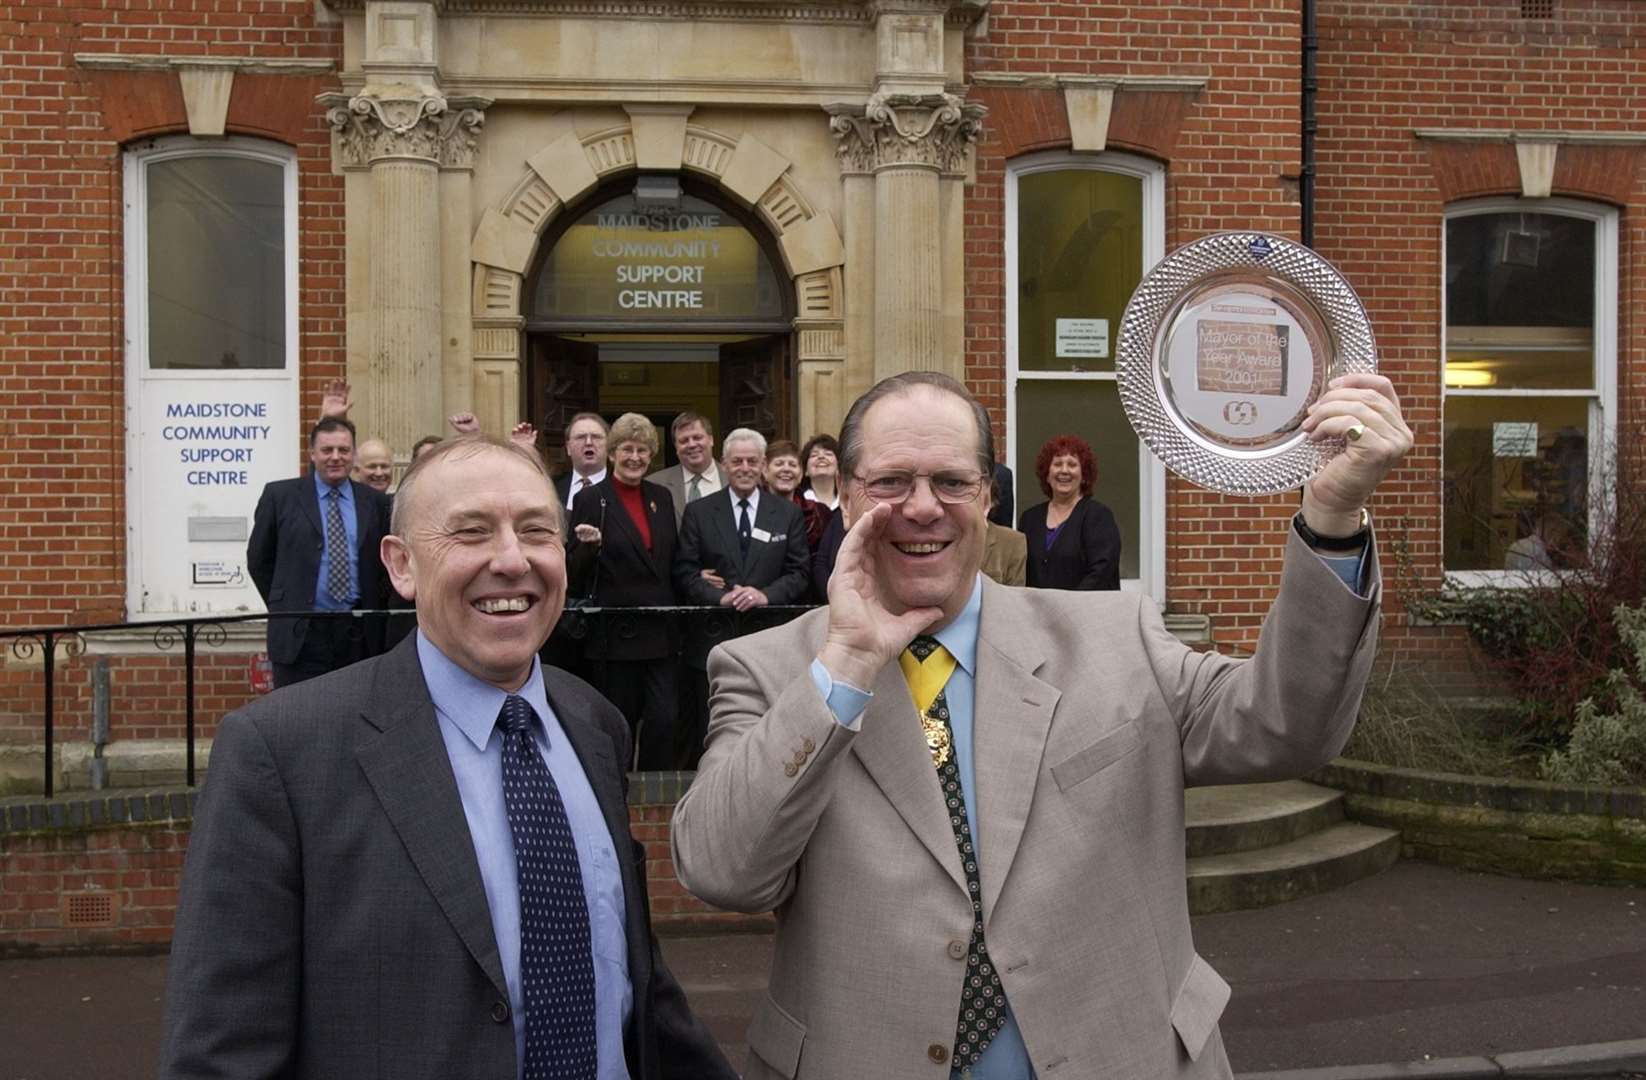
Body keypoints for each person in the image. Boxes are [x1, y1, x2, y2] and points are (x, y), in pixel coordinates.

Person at [671, 370, 1410, 1079]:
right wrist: (844, 669)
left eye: (952, 481)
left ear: (987, 497)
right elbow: (724, 870)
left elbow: (1287, 725)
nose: (923, 507)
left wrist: (1333, 520)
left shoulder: (1117, 636)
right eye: (891, 482)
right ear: (845, 498)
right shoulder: (766, 670)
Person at [163, 434, 736, 1080]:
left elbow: (631, 982)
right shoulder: (282, 756)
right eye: (471, 533)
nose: (513, 560)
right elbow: (222, 1056)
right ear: (401, 565)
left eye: (537, 531)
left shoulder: (595, 726)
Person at [673, 428, 811, 769]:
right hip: (713, 639)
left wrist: (765, 595)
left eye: (752, 461)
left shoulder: (787, 514)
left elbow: (799, 573)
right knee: (713, 732)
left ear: (763, 465)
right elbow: (683, 572)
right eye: (737, 461)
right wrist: (719, 597)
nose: (745, 467)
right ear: (724, 464)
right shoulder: (700, 512)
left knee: (771, 729)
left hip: (770, 639)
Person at [566, 413, 680, 771]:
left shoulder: (660, 497)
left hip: (660, 632)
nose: (635, 457)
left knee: (666, 719)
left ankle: (652, 794)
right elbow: (571, 570)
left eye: (643, 450)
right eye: (628, 449)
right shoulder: (592, 498)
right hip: (615, 636)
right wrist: (588, 548)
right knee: (619, 724)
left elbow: (670, 560)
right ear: (612, 454)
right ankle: (617, 796)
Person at [247, 416, 393, 688]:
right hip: (302, 634)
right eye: (327, 450)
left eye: (344, 450)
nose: (336, 457)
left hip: (359, 634)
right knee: (298, 718)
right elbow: (259, 560)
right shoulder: (281, 496)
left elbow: (388, 562)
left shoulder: (375, 502)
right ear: (312, 454)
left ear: (354, 455)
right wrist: (286, 602)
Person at [1017, 434, 1122, 591]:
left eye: (1072, 465)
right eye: (1057, 464)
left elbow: (1101, 574)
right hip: (1038, 613)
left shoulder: (1099, 517)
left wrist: (1067, 608)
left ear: (1084, 475)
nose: (1064, 471)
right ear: (1046, 473)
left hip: (1084, 611)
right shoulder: (1029, 519)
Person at [648, 412, 726, 525]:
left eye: (697, 437)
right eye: (684, 441)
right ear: (676, 447)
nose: (692, 444)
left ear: (711, 440)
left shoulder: (732, 479)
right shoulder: (655, 484)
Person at [765, 438, 829, 551]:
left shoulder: (820, 514)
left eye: (792, 465)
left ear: (800, 475)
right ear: (765, 470)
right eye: (779, 464)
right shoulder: (752, 511)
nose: (786, 469)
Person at [558, 411, 610, 513]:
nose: (588, 442)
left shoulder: (619, 489)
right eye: (581, 437)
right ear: (568, 447)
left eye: (596, 437)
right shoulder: (553, 488)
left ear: (608, 446)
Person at [799, 433, 840, 511]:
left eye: (828, 454)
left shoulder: (849, 502)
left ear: (838, 466)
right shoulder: (798, 502)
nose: (821, 457)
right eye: (814, 455)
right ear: (805, 470)